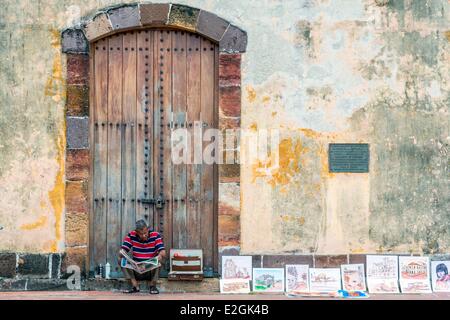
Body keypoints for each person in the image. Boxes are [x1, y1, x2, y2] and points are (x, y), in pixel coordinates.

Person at [118, 219, 166, 294]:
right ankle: (134, 285)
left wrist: (159, 256)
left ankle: (152, 286)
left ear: (148, 229)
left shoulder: (156, 235)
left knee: (160, 259)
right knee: (121, 260)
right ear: (136, 232)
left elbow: (163, 252)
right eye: (141, 234)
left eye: (145, 232)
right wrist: (122, 252)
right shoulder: (132, 235)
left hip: (150, 270)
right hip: (136, 270)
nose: (144, 235)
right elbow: (123, 251)